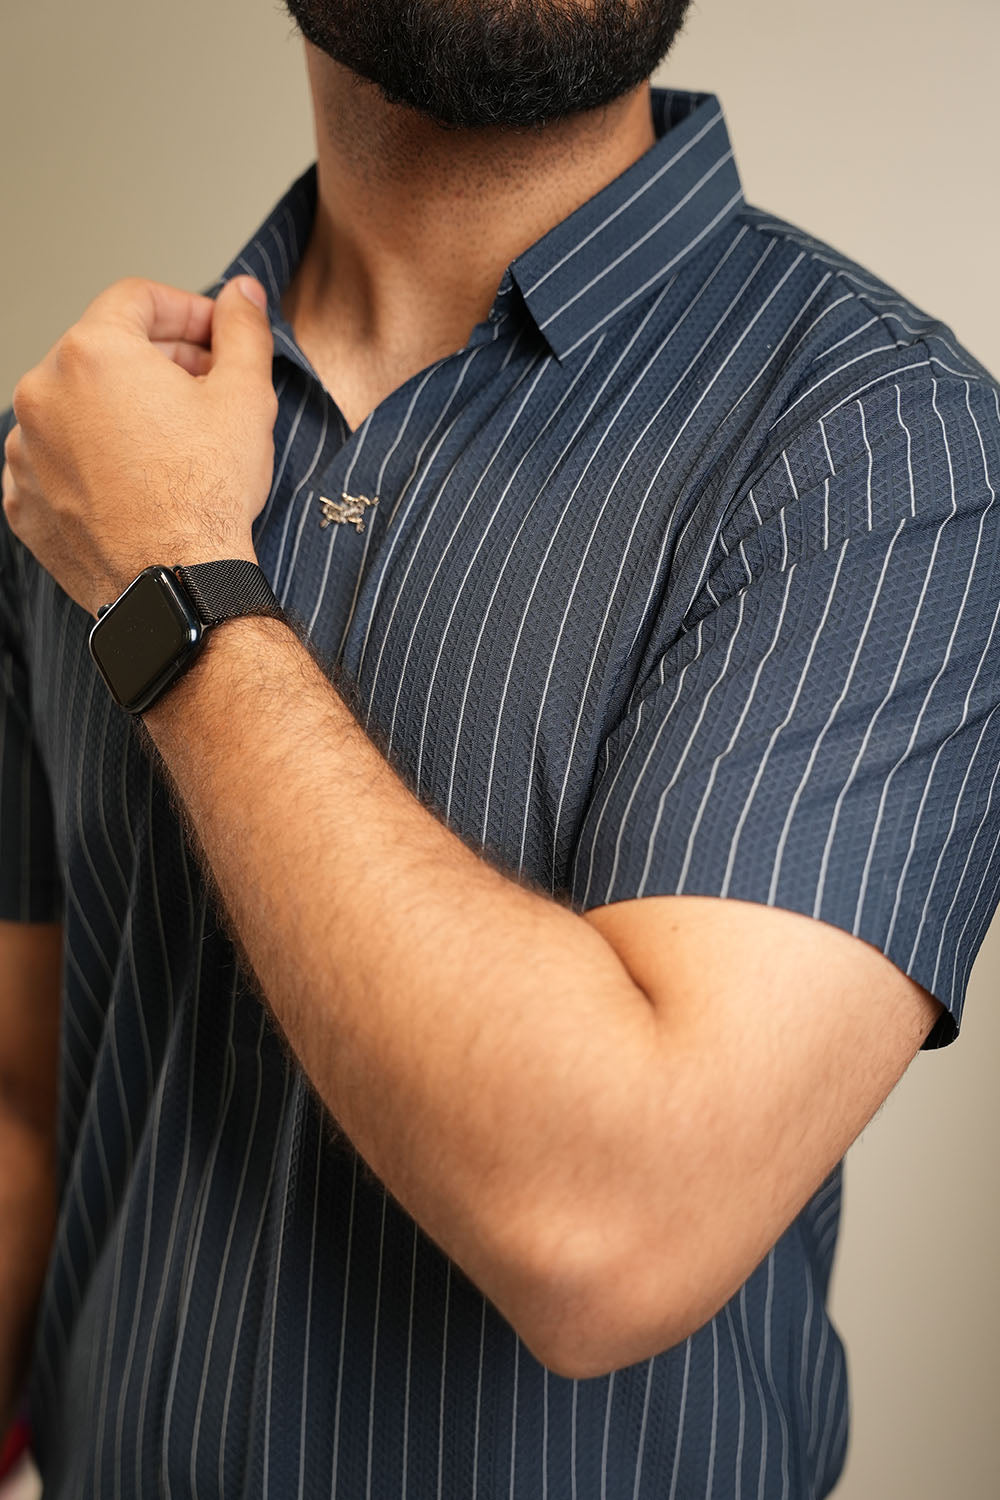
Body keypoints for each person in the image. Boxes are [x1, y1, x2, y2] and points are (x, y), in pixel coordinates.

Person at [1, 1, 998, 1495]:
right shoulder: (80, 453)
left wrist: (173, 588)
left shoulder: (890, 449)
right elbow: (27, 1110)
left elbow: (611, 1223)